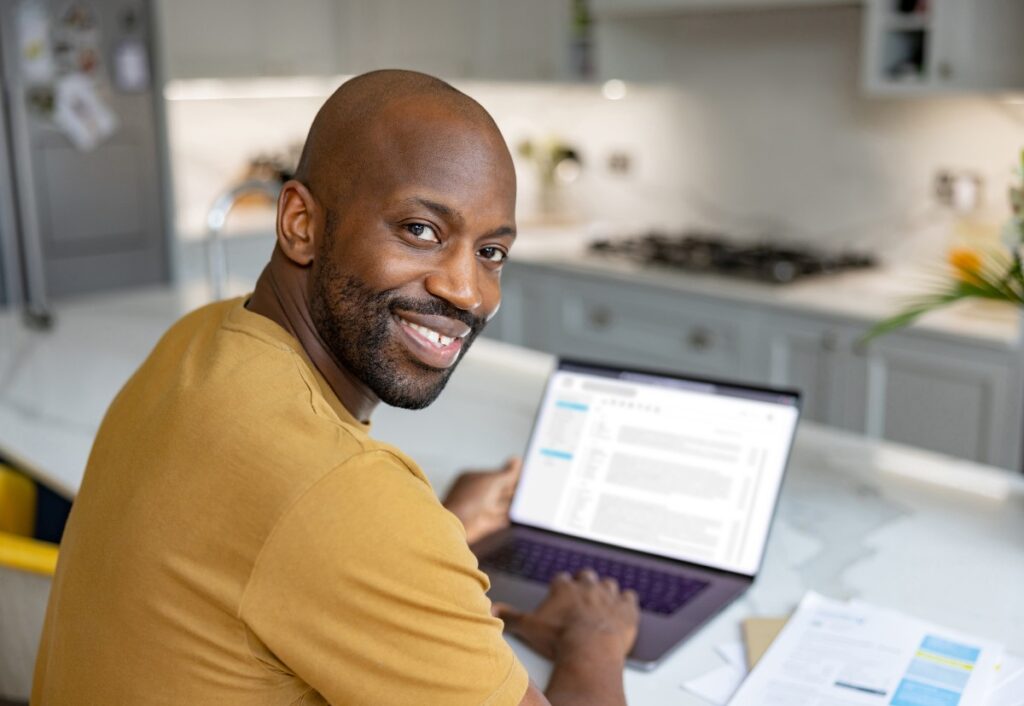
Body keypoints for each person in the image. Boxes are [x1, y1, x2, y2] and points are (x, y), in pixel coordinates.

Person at [31, 70, 638, 705]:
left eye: (491, 252)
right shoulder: (347, 497)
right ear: (299, 224)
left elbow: (280, 544)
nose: (467, 291)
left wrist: (439, 536)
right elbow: (326, 514)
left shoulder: (197, 340)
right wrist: (595, 641)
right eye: (421, 231)